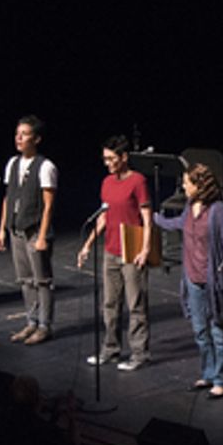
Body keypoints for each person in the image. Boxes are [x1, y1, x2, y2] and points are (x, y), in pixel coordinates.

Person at [154, 162, 223, 397]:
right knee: (200, 331)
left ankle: (221, 378)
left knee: (218, 331)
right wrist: (155, 219)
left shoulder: (217, 210)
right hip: (192, 277)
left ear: (199, 185)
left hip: (213, 280)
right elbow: (179, 224)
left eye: (186, 183)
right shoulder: (190, 206)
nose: (183, 186)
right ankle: (208, 373)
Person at [77, 135, 152, 371]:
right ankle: (110, 349)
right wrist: (88, 244)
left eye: (111, 159)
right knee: (109, 303)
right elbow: (103, 217)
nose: (107, 163)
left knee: (135, 304)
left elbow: (147, 218)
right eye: (105, 159)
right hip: (111, 250)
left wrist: (145, 249)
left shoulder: (138, 181)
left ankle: (139, 354)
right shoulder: (107, 182)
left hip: (132, 250)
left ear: (124, 157)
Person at [0, 115, 57, 345]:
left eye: (25, 134)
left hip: (35, 230)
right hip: (16, 229)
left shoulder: (46, 167)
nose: (19, 138)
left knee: (42, 280)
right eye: (17, 133)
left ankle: (44, 325)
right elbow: (8, 198)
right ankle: (31, 321)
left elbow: (48, 205)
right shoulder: (12, 164)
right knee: (25, 280)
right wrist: (2, 229)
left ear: (37, 139)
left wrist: (42, 237)